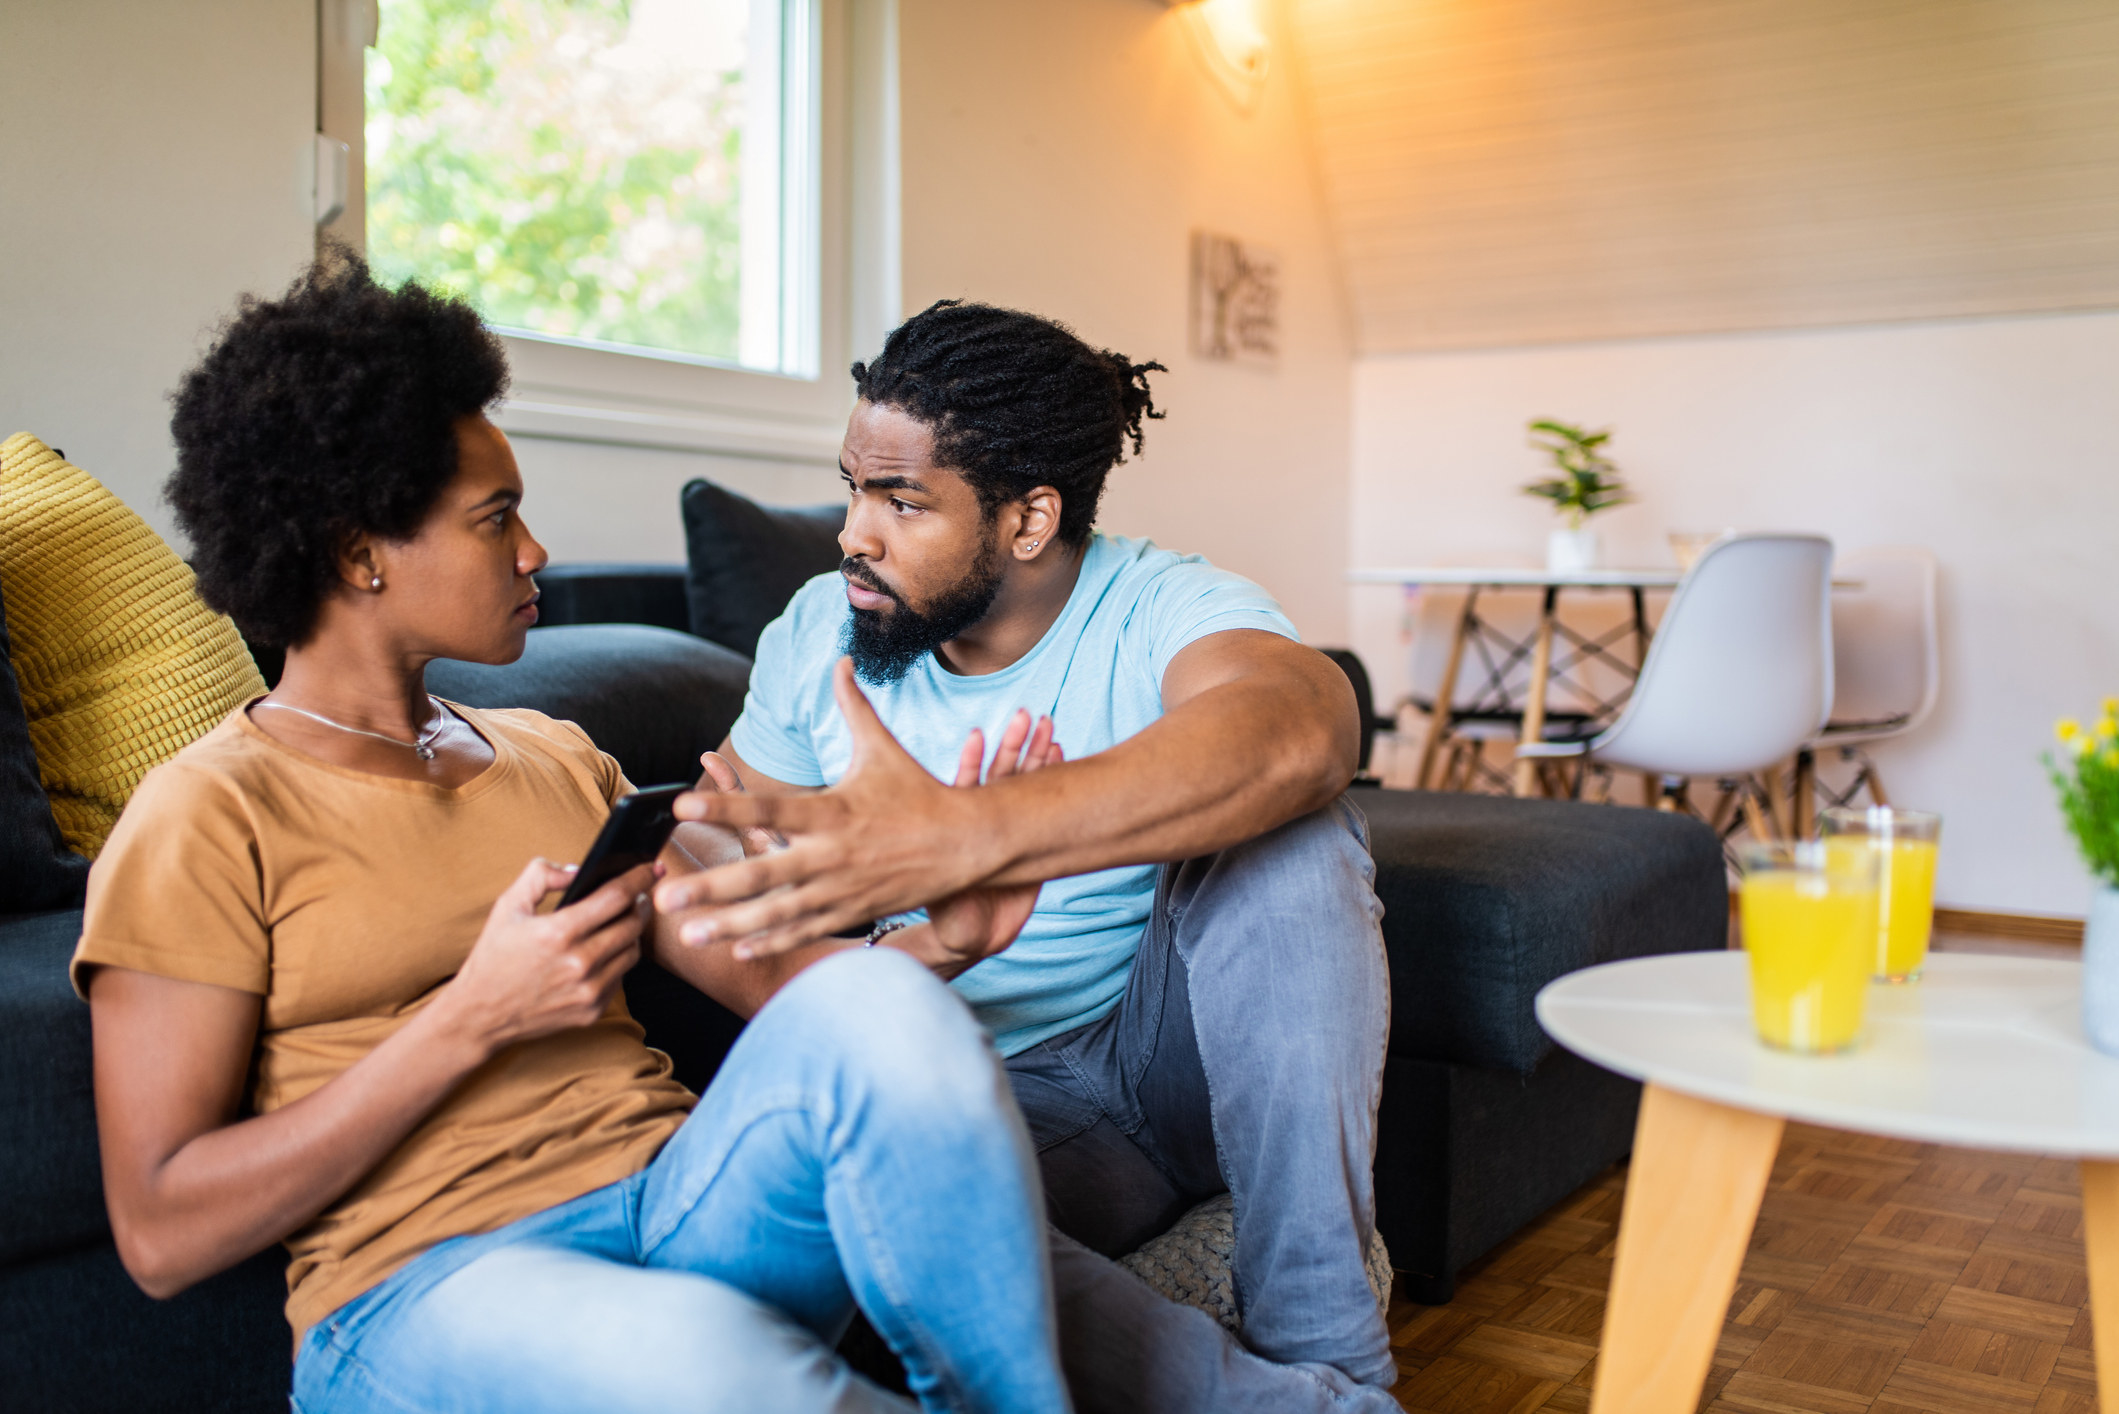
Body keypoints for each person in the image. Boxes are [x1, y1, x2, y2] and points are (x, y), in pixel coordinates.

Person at [77, 257, 1074, 1414]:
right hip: (419, 1287)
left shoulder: (556, 754)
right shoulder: (207, 813)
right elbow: (159, 1230)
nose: (535, 551)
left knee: (885, 1012)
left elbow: (801, 1001)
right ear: (360, 552)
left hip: (676, 1204)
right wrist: (473, 1015)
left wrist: (945, 940)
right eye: (495, 518)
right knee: (706, 1363)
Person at [654, 300, 1399, 1410]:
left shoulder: (1160, 601)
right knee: (849, 1243)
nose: (854, 531)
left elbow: (1303, 726)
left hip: (1176, 1050)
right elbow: (712, 852)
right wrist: (879, 942)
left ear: (1029, 518)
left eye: (901, 501)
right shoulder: (818, 627)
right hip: (1003, 1096)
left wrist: (968, 832)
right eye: (855, 487)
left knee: (1291, 834)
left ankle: (1326, 1338)